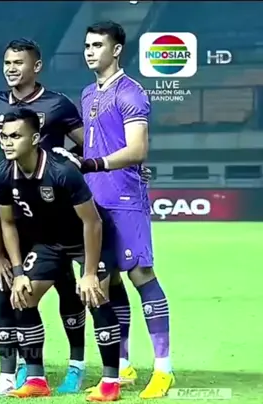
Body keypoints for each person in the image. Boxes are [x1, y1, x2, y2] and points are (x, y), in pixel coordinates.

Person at [0, 108, 121, 401]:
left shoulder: (62, 172)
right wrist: (18, 272)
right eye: (4, 136)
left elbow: (93, 222)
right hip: (49, 243)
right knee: (22, 296)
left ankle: (110, 382)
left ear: (35, 138)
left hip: (88, 238)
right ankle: (36, 379)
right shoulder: (3, 173)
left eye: (16, 136)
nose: (7, 142)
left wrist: (89, 273)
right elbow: (7, 223)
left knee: (94, 296)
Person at [79, 21, 173, 399]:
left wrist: (97, 164)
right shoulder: (88, 93)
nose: (90, 51)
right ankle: (122, 365)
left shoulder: (131, 92)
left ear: (116, 50)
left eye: (98, 45)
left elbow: (137, 149)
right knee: (109, 280)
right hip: (93, 201)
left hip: (124, 198)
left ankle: (164, 369)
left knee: (141, 274)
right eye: (87, 45)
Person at [0, 38, 90, 392]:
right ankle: (28, 367)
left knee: (69, 292)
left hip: (59, 213)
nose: (11, 68)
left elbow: (87, 142)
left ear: (36, 67)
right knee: (20, 289)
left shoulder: (57, 104)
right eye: (7, 62)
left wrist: (69, 158)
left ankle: (76, 366)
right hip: (21, 210)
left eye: (18, 62)